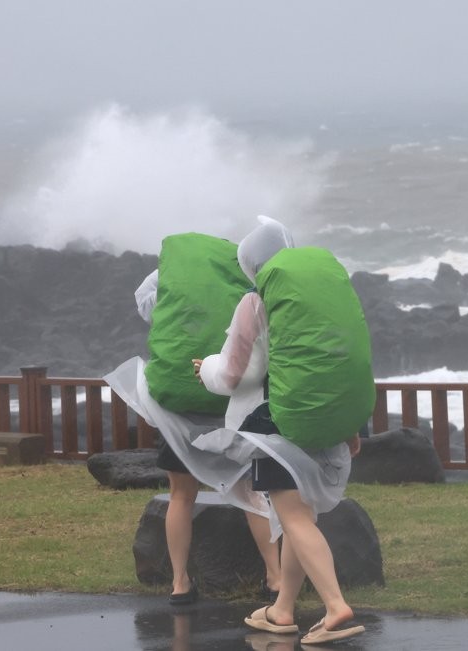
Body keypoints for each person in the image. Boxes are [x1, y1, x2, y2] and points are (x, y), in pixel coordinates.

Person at [195, 215, 374, 645]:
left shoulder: (255, 303)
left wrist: (207, 369)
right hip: (318, 415)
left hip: (273, 423)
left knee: (293, 518)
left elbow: (240, 373)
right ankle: (282, 610)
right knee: (301, 519)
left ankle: (335, 607)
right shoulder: (316, 301)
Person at [107, 232, 281, 605]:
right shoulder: (247, 274)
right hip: (226, 399)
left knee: (180, 496)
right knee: (250, 490)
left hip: (175, 400)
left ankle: (181, 583)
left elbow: (147, 308)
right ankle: (275, 577)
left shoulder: (168, 273)